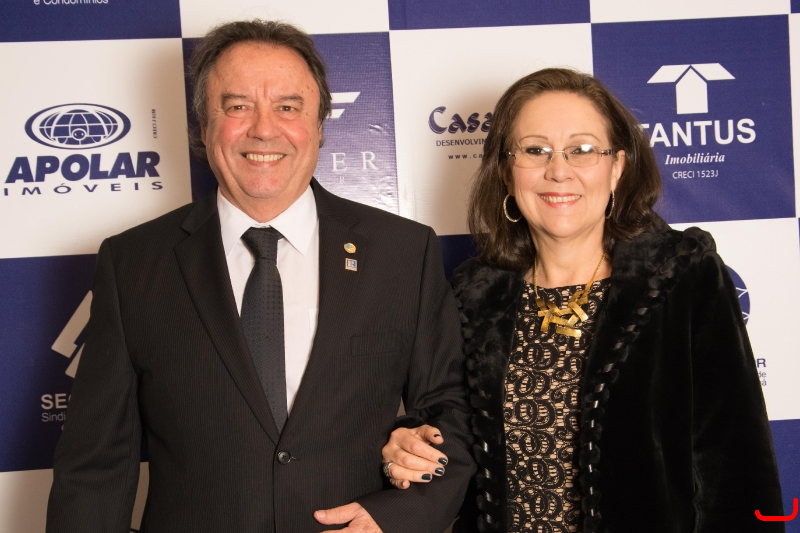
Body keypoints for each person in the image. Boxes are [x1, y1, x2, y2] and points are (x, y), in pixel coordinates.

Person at [46, 20, 474, 533]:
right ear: (204, 126)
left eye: (288, 107)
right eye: (237, 106)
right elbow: (95, 467)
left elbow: (452, 411)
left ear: (319, 126)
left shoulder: (402, 252)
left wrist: (398, 517)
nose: (264, 129)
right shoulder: (133, 262)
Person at [380, 68, 785, 533]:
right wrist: (408, 443)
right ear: (506, 172)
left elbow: (738, 468)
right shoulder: (472, 293)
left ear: (618, 167)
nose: (558, 170)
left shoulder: (680, 276)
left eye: (583, 149)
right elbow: (449, 432)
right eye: (535, 150)